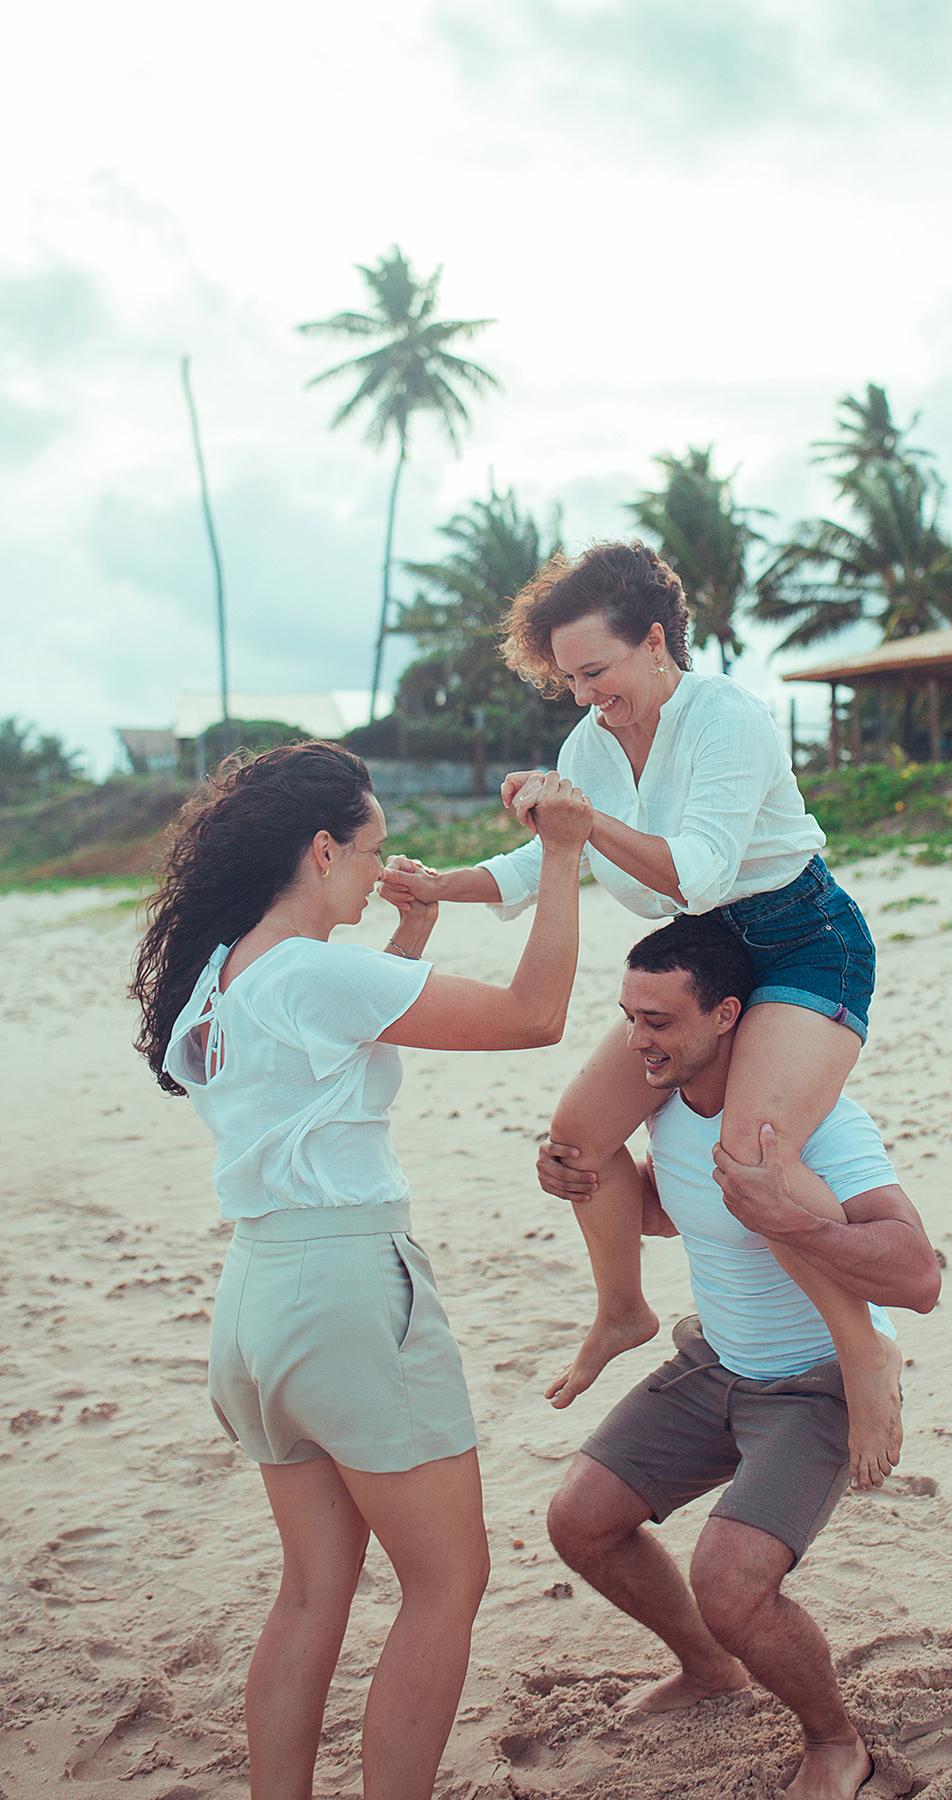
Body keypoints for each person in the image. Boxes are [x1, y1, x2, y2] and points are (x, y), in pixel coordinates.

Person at [381, 541, 898, 1492]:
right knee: (577, 1137)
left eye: (597, 671)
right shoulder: (590, 745)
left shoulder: (725, 717)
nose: (585, 696)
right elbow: (547, 861)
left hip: (804, 942)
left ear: (656, 642)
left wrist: (579, 820)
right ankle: (622, 1309)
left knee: (751, 1155)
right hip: (702, 957)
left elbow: (696, 870)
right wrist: (440, 884)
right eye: (569, 680)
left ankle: (862, 1347)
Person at [129, 742, 592, 1800]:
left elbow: (326, 1048)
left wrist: (412, 927)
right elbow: (534, 1017)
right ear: (324, 849)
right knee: (447, 1582)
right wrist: (563, 856)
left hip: (256, 1300)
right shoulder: (312, 974)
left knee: (312, 1590)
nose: (385, 867)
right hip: (344, 1291)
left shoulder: (222, 975)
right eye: (374, 850)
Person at [537, 917, 941, 1800]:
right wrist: (583, 1175)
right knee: (580, 1521)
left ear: (726, 1016)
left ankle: (836, 1743)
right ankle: (709, 1667)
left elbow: (918, 1274)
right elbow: (671, 1207)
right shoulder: (663, 1104)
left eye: (658, 1022)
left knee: (730, 1585)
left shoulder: (815, 1125)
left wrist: (793, 1219)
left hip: (815, 1385)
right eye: (629, 1019)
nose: (637, 1042)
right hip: (717, 1361)